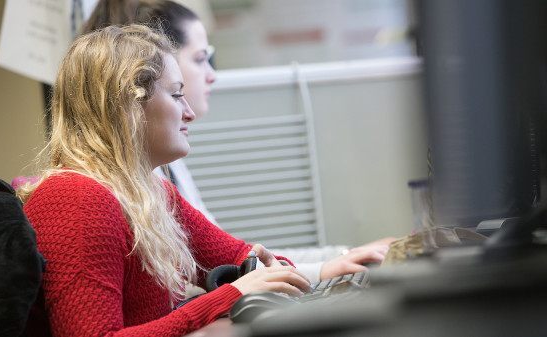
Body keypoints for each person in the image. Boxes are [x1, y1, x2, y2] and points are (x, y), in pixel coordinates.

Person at [19, 24, 312, 336]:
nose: (189, 114)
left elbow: (243, 258)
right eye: (176, 95)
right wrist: (233, 294)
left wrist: (272, 271)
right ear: (128, 106)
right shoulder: (74, 200)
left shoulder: (151, 193)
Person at [79, 0, 395, 284]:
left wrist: (340, 256)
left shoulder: (160, 176)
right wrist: (327, 265)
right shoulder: (94, 200)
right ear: (147, 77)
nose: (211, 75)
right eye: (201, 59)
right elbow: (224, 275)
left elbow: (233, 258)